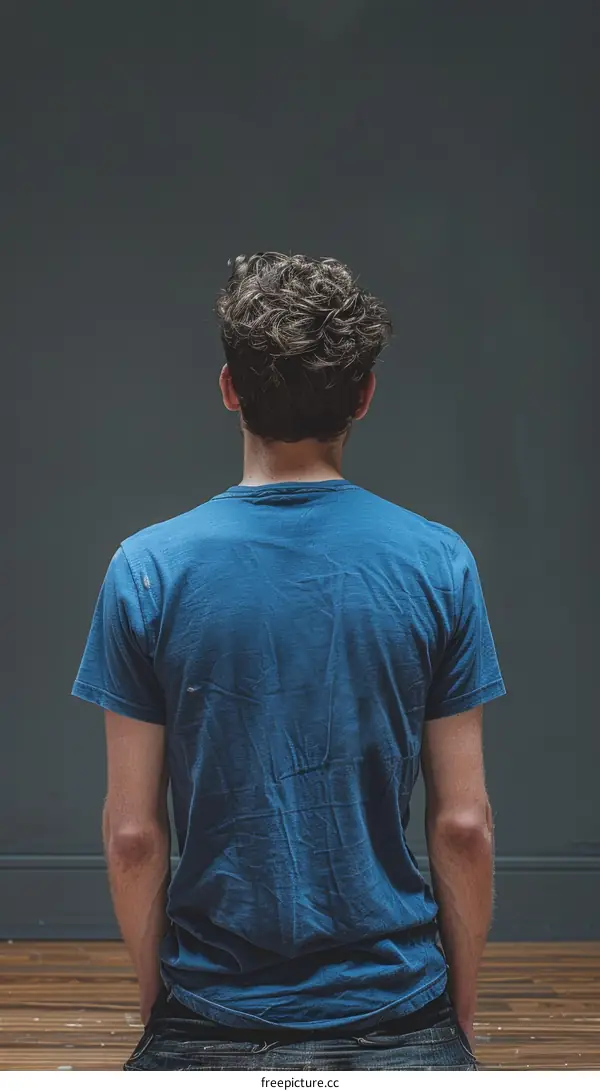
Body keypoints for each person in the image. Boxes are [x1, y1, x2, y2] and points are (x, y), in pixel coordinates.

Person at [72, 252, 505, 1071]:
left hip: (205, 1009)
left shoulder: (147, 569)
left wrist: (160, 1008)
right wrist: (459, 1016)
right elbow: (464, 825)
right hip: (401, 1010)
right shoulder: (439, 563)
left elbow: (131, 836)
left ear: (229, 388)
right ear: (364, 395)